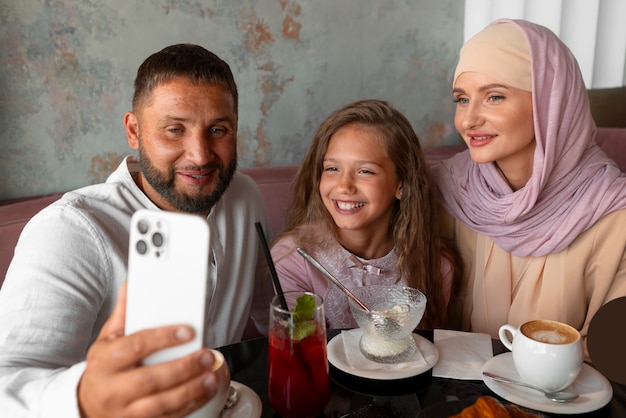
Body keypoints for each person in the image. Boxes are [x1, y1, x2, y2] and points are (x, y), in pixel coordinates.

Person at [0, 44, 273, 417]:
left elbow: (268, 309)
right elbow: (6, 383)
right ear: (134, 130)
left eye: (218, 130)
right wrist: (85, 399)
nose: (200, 154)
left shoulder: (244, 195)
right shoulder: (70, 231)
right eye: (174, 129)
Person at [433, 19, 626, 354]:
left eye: (494, 96)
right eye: (462, 99)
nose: (468, 120)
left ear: (552, 103)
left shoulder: (614, 213)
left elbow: (616, 355)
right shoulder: (449, 190)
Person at [271, 99, 462, 330]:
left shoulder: (435, 264)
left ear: (401, 185)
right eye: (332, 168)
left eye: (365, 171)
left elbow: (425, 349)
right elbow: (298, 345)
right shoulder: (292, 259)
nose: (344, 186)